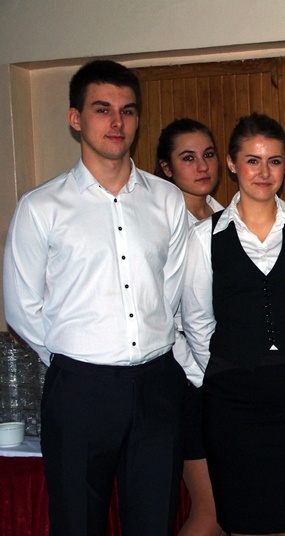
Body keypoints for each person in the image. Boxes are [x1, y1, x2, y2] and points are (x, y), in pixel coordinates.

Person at [3, 59, 189, 535]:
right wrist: (71, 359)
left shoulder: (167, 200)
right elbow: (22, 306)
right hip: (79, 392)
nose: (116, 121)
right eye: (102, 109)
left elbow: (171, 289)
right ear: (76, 118)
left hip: (156, 385)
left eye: (127, 110)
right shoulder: (42, 207)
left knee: (155, 522)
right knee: (78, 524)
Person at [180, 112, 285, 536]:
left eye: (274, 161)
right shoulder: (204, 237)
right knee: (243, 519)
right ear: (232, 163)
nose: (264, 172)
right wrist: (227, 366)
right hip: (233, 401)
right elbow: (196, 319)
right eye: (253, 160)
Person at [155, 118, 225, 536]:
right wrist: (200, 371)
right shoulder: (164, 225)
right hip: (189, 380)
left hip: (226, 376)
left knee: (235, 508)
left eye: (209, 155)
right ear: (167, 168)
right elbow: (161, 314)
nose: (202, 166)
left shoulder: (227, 216)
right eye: (188, 158)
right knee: (211, 512)